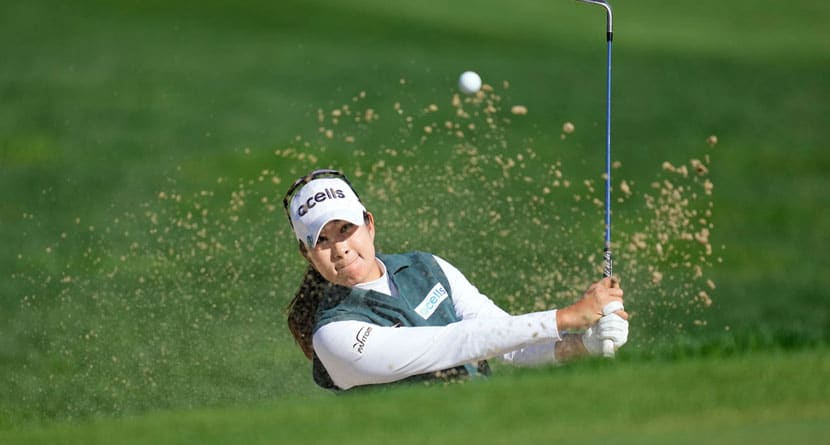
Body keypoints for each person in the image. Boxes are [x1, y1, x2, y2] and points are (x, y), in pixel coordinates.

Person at [285, 169, 629, 391]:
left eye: (345, 229)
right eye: (322, 240)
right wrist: (566, 316)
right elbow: (453, 343)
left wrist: (584, 346)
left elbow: (506, 343)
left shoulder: (426, 267)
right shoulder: (333, 335)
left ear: (369, 224)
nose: (340, 249)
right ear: (307, 254)